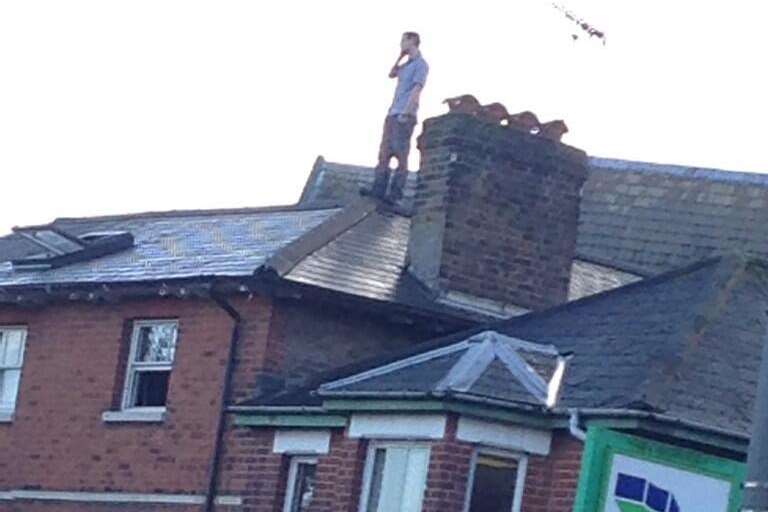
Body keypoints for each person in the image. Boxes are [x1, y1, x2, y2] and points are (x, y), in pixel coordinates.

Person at [366, 32, 429, 202]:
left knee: (401, 154)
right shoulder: (406, 65)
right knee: (384, 153)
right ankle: (378, 188)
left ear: (412, 41)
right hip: (393, 112)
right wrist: (399, 57)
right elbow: (391, 74)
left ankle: (395, 192)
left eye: (403, 41)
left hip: (404, 114)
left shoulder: (421, 65)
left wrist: (406, 112)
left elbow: (417, 89)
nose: (401, 44)